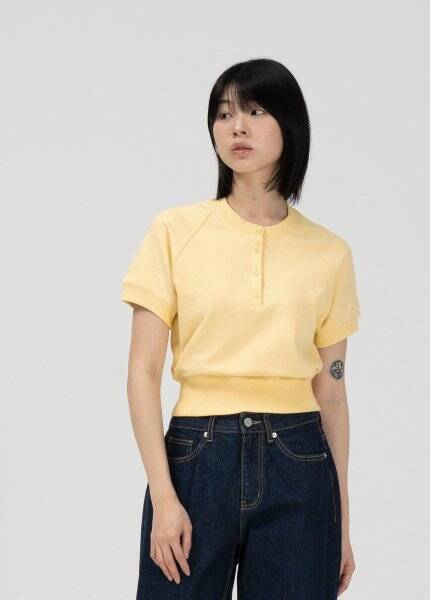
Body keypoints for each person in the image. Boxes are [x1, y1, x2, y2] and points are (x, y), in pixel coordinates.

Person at [121, 58, 361, 599]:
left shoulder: (329, 252)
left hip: (300, 460)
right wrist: (163, 498)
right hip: (196, 458)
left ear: (290, 124)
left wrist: (341, 520)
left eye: (254, 112)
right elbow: (142, 372)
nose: (237, 128)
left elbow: (332, 391)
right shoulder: (175, 231)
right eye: (224, 114)